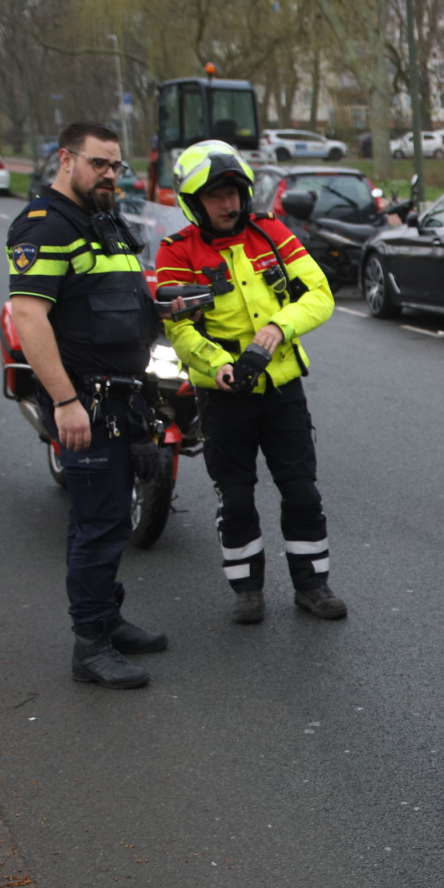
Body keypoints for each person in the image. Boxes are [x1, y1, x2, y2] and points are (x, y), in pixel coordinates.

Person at [7, 121, 172, 689]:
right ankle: (90, 646)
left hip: (125, 395)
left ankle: (109, 617)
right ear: (66, 159)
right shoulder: (45, 226)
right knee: (98, 524)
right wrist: (66, 402)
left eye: (115, 166)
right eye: (99, 163)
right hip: (88, 401)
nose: (109, 174)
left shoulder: (103, 222)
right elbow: (29, 317)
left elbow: (127, 302)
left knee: (112, 521)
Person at [154, 141, 345, 624]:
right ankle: (247, 590)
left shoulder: (272, 232)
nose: (229, 204)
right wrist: (219, 365)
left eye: (235, 192)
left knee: (301, 491)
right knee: (235, 498)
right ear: (194, 201)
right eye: (217, 196)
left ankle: (312, 585)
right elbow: (179, 328)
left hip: (282, 390)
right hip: (223, 397)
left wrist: (278, 328)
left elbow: (319, 294)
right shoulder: (178, 252)